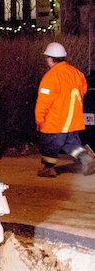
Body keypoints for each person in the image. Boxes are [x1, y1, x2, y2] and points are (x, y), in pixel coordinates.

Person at [35, 41, 95, 178]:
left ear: (50, 58)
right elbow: (83, 89)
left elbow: (43, 102)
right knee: (71, 144)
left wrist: (40, 119)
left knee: (50, 145)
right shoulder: (76, 73)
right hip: (73, 120)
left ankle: (48, 169)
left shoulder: (50, 77)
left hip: (55, 120)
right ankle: (87, 160)